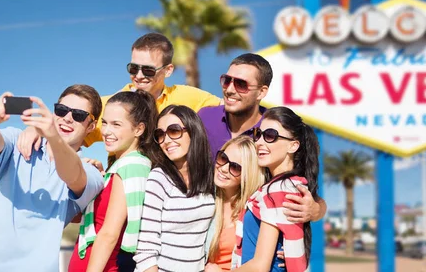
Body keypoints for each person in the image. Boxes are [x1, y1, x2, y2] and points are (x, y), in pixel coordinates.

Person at [0, 85, 105, 272]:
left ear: (91, 126)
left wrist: (52, 137)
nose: (67, 118)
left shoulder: (91, 172)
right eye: (62, 110)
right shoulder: (17, 139)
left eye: (79, 115)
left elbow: (74, 176)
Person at [16, 32, 221, 157]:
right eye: (133, 68)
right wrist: (37, 130)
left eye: (148, 70)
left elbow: (233, 107)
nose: (139, 76)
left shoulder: (190, 97)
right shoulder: (109, 105)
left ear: (168, 70)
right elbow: (66, 122)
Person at [198, 53, 326, 224]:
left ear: (261, 92)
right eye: (227, 80)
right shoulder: (205, 118)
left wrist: (315, 210)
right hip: (207, 229)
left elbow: (312, 196)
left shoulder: (277, 133)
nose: (229, 89)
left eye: (241, 84)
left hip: (255, 234)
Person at [212, 106, 321, 272]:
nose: (259, 142)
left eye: (270, 136)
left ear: (293, 146)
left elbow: (260, 266)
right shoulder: (287, 185)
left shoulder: (278, 190)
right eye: (258, 134)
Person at [67, 90, 158, 272]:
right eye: (105, 123)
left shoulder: (131, 166)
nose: (107, 132)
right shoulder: (121, 166)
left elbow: (109, 234)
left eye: (116, 124)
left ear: (139, 129)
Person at [134, 105, 216, 272]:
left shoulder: (209, 176)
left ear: (193, 131)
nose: (167, 140)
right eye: (160, 134)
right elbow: (146, 247)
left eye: (174, 131)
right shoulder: (159, 178)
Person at [204, 136, 266, 271]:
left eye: (235, 167)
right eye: (223, 158)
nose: (224, 168)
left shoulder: (254, 212)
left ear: (247, 175)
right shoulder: (204, 199)